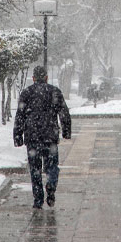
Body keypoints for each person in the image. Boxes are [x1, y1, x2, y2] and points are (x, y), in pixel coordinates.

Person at [13, 65, 72, 209]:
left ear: (33, 78)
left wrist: (18, 135)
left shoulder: (27, 93)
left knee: (35, 169)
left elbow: (20, 115)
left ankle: (38, 199)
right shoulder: (54, 92)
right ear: (46, 77)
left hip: (32, 137)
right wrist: (66, 131)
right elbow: (64, 113)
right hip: (50, 137)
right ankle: (51, 185)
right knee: (52, 166)